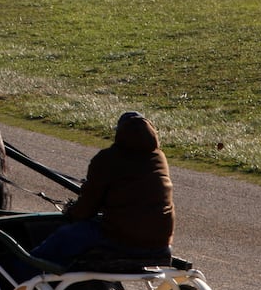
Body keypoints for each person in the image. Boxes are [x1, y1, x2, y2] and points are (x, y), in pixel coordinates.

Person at [31, 110, 174, 268]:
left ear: (120, 134)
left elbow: (87, 208)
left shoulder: (106, 159)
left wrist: (72, 213)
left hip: (122, 240)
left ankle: (22, 272)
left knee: (64, 236)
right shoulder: (159, 158)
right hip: (161, 240)